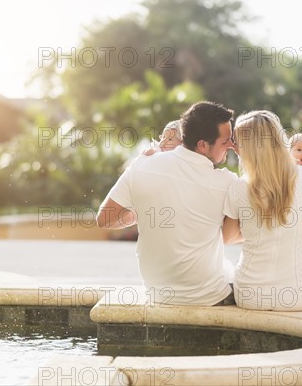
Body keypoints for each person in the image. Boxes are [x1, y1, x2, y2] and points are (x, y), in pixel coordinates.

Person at [97, 101, 238, 306]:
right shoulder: (226, 182)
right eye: (226, 141)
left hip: (157, 293)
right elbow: (237, 234)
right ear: (203, 145)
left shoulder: (142, 164)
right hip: (209, 297)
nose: (232, 146)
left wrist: (141, 212)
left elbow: (105, 218)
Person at [222, 110, 302, 311]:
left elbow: (227, 237)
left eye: (237, 142)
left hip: (252, 295)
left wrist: (260, 231)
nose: (234, 147)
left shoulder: (239, 187)